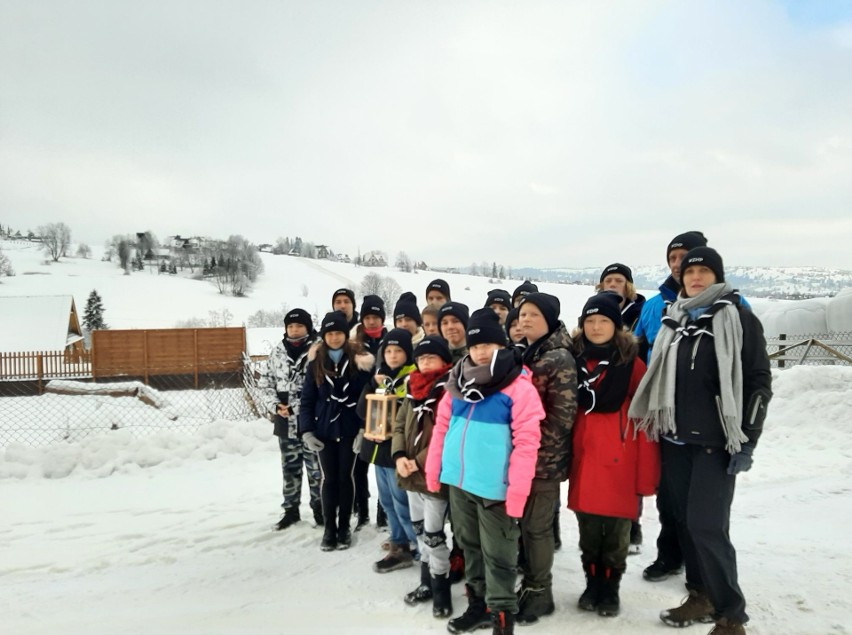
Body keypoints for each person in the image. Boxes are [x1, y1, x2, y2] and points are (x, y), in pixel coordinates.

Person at [629, 247, 772, 635]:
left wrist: (748, 441)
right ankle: (701, 594)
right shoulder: (676, 320)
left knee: (708, 526)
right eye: (689, 271)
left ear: (717, 276)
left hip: (715, 442)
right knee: (684, 522)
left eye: (704, 270)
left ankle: (730, 614)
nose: (694, 276)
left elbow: (759, 383)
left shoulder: (738, 319)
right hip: (674, 440)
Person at [426, 308, 544, 635]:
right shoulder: (456, 382)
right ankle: (477, 604)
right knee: (469, 546)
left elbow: (528, 442)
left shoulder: (518, 387)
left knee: (500, 554)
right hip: (460, 483)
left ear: (503, 346)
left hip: (495, 489)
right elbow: (441, 429)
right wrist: (434, 470)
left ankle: (502, 616)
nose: (480, 351)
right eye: (476, 345)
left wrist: (518, 491)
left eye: (489, 345)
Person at [569, 293, 659, 618]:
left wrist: (646, 475)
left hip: (622, 463)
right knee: (589, 533)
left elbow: (647, 423)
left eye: (603, 320)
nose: (596, 327)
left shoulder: (632, 365)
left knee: (618, 537)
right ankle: (592, 584)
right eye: (590, 321)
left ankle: (611, 589)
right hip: (586, 460)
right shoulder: (573, 361)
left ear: (615, 325)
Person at [633, 230, 708, 582]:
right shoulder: (653, 306)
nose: (678, 264)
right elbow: (635, 351)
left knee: (703, 501)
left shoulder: (730, 306)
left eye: (685, 256)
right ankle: (669, 555)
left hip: (706, 418)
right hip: (662, 414)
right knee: (669, 493)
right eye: (673, 258)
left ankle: (703, 569)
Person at [513, 293, 577, 625]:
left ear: (549, 319)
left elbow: (561, 418)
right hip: (522, 458)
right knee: (525, 524)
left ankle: (541, 593)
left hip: (543, 461)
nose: (524, 320)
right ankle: (530, 583)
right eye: (522, 314)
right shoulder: (528, 353)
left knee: (537, 528)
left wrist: (532, 452)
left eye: (533, 315)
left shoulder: (558, 357)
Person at [299, 311, 375, 551]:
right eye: (329, 333)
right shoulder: (315, 363)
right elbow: (307, 400)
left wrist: (364, 429)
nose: (334, 337)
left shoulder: (360, 361)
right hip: (324, 431)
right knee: (329, 478)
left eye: (338, 333)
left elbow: (369, 398)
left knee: (346, 477)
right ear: (324, 336)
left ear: (345, 334)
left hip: (350, 428)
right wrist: (307, 431)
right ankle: (329, 528)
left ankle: (344, 527)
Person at [392, 335, 455, 618]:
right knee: (418, 531)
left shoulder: (450, 390)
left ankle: (442, 591)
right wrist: (399, 457)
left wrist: (417, 462)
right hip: (410, 476)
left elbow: (447, 435)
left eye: (431, 358)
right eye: (421, 358)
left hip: (434, 478)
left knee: (433, 536)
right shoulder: (411, 388)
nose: (425, 362)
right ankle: (426, 583)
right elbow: (399, 425)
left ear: (444, 361)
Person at [356, 328, 419, 573]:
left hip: (398, 451)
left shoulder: (412, 378)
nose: (393, 355)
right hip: (377, 451)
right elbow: (362, 411)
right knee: (387, 501)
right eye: (388, 351)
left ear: (408, 353)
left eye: (399, 350)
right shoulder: (379, 376)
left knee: (402, 502)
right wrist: (372, 384)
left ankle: (416, 545)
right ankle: (399, 540)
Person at [258, 308, 323, 530]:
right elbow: (265, 384)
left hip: (311, 421)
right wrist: (275, 406)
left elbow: (323, 386)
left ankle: (320, 509)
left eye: (299, 326)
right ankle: (291, 511)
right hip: (285, 422)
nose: (294, 330)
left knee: (317, 469)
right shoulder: (277, 353)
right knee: (290, 468)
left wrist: (305, 408)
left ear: (308, 327)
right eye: (290, 326)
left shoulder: (319, 349)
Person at [351, 294, 387, 529]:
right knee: (359, 465)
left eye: (376, 317)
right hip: (360, 409)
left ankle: (384, 512)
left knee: (385, 466)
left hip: (386, 409)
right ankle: (361, 510)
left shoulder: (392, 340)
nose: (372, 321)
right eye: (368, 317)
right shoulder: (353, 344)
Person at [597, 263, 646, 330]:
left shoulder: (642, 316)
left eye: (619, 281)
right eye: (608, 281)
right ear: (602, 287)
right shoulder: (592, 313)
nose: (612, 284)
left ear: (628, 287)